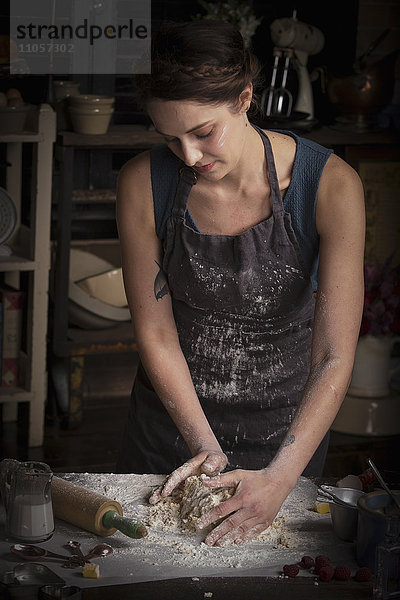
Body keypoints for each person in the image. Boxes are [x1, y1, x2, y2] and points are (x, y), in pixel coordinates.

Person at [116, 20, 365, 547]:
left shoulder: (331, 186)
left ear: (245, 98)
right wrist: (205, 452)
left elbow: (334, 356)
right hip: (171, 436)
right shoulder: (144, 183)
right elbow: (156, 335)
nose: (188, 155)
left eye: (203, 131)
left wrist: (281, 475)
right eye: (169, 137)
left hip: (285, 437)